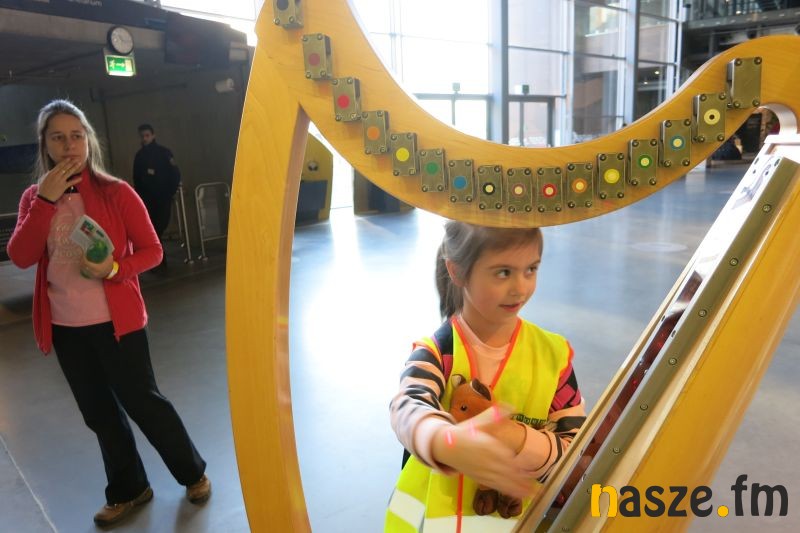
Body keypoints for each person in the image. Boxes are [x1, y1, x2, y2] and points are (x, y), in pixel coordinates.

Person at [6, 100, 210, 527]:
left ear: (88, 141)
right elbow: (21, 256)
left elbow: (153, 250)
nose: (68, 146)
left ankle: (192, 473)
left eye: (76, 136)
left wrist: (115, 269)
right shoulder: (33, 198)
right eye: (58, 137)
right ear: (45, 144)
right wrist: (45, 200)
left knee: (144, 403)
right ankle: (129, 488)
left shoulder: (116, 192)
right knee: (99, 413)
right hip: (66, 327)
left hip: (118, 324)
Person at [386, 222, 586, 531]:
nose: (520, 288)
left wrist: (516, 438)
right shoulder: (437, 353)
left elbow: (574, 453)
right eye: (503, 272)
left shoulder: (554, 356)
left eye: (531, 269)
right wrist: (443, 440)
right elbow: (408, 408)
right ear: (457, 271)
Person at [132, 123, 181, 270]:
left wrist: (170, 192)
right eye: (142, 136)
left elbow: (175, 173)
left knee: (160, 227)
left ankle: (158, 260)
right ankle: (159, 261)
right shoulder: (139, 156)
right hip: (147, 200)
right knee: (153, 230)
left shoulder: (164, 153)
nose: (145, 138)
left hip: (163, 197)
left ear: (153, 135)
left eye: (147, 135)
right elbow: (136, 179)